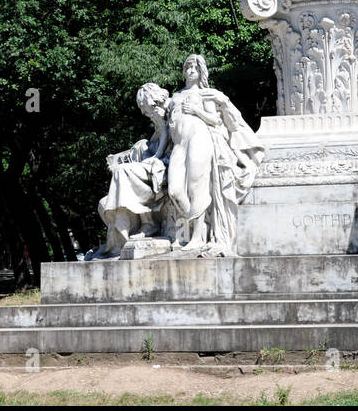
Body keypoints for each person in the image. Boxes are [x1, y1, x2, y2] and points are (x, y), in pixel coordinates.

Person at [165, 54, 264, 251]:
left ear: (201, 71)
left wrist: (196, 111)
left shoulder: (207, 94)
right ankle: (192, 226)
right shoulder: (175, 97)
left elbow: (216, 120)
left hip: (199, 139)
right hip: (179, 144)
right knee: (175, 190)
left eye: (195, 67)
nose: (191, 70)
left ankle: (197, 237)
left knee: (196, 187)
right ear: (183, 71)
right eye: (188, 67)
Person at [89, 83, 172, 258]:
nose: (143, 112)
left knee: (122, 172)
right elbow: (155, 141)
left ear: (152, 100)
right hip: (155, 162)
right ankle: (133, 229)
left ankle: (148, 224)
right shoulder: (158, 118)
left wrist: (154, 157)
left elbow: (166, 138)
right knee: (120, 172)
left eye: (144, 106)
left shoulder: (169, 111)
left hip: (166, 164)